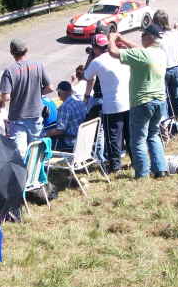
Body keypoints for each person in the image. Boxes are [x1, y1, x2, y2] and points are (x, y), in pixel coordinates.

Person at [108, 24, 168, 179]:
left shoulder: (142, 54)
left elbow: (113, 52)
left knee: (138, 140)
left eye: (142, 35)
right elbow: (140, 50)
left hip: (142, 102)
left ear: (149, 37)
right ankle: (161, 169)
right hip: (160, 100)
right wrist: (123, 40)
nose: (141, 39)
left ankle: (142, 174)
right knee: (153, 135)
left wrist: (112, 38)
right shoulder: (160, 53)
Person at [83, 33, 131, 172]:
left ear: (95, 48)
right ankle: (136, 161)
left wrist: (91, 58)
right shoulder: (121, 54)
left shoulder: (97, 61)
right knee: (130, 135)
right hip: (128, 101)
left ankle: (115, 166)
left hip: (111, 105)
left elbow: (87, 76)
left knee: (113, 138)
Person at [0, 38, 53, 155]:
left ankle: (23, 168)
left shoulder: (9, 71)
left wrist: (17, 95)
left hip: (17, 118)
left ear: (12, 52)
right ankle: (36, 167)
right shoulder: (38, 66)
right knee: (36, 152)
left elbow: (6, 97)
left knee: (20, 154)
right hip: (36, 115)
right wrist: (37, 93)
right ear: (26, 50)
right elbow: (50, 87)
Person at [153, 10, 178, 133]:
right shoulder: (174, 33)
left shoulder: (157, 38)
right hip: (176, 68)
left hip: (163, 70)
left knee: (163, 100)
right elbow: (175, 28)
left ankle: (165, 131)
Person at [46, 81, 86, 152]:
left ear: (60, 92)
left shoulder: (65, 107)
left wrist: (45, 133)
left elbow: (60, 130)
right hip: (82, 139)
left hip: (70, 142)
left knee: (45, 141)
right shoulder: (80, 102)